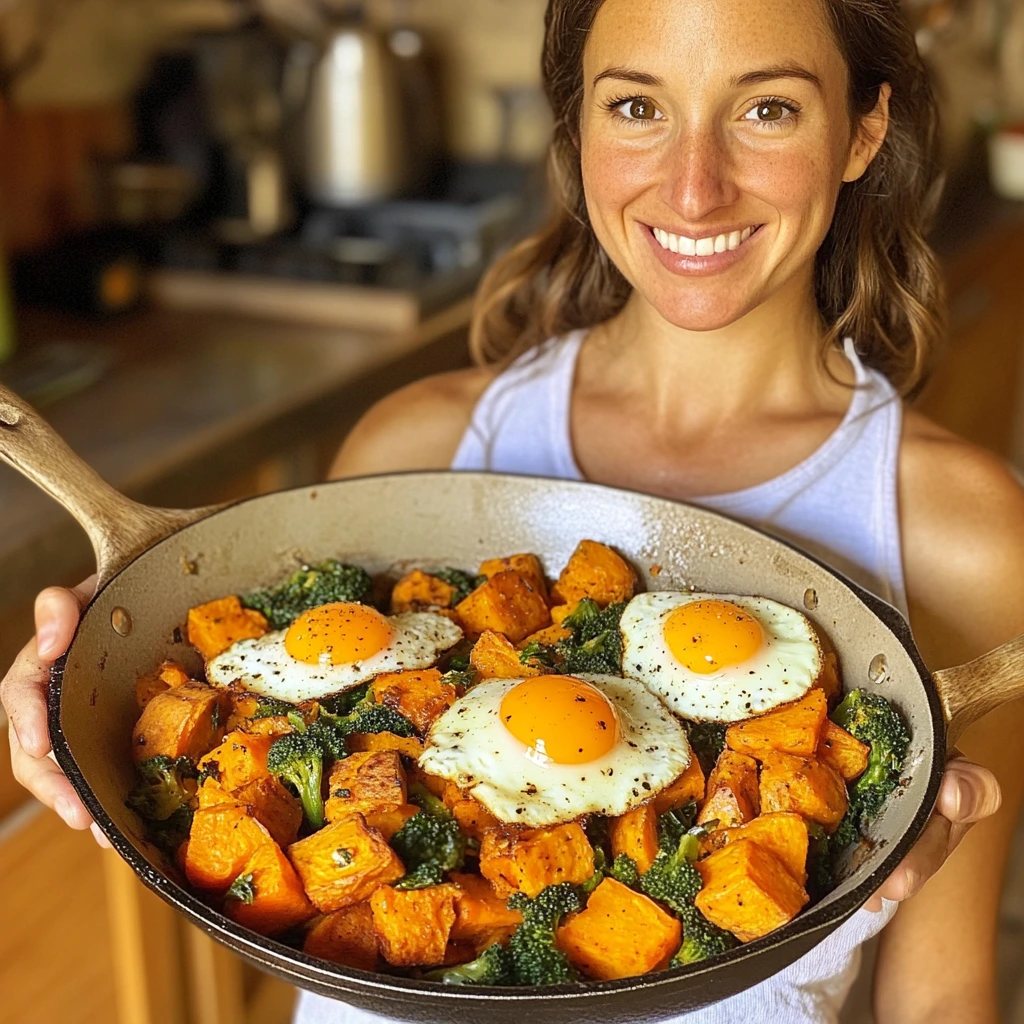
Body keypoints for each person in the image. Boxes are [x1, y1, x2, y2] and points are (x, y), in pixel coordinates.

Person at [2, 0, 1022, 1019]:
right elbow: (258, 680)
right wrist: (87, 677)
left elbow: (939, 1000)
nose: (694, 186)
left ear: (863, 131)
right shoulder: (413, 444)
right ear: (574, 128)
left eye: (767, 110)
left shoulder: (962, 534)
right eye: (637, 106)